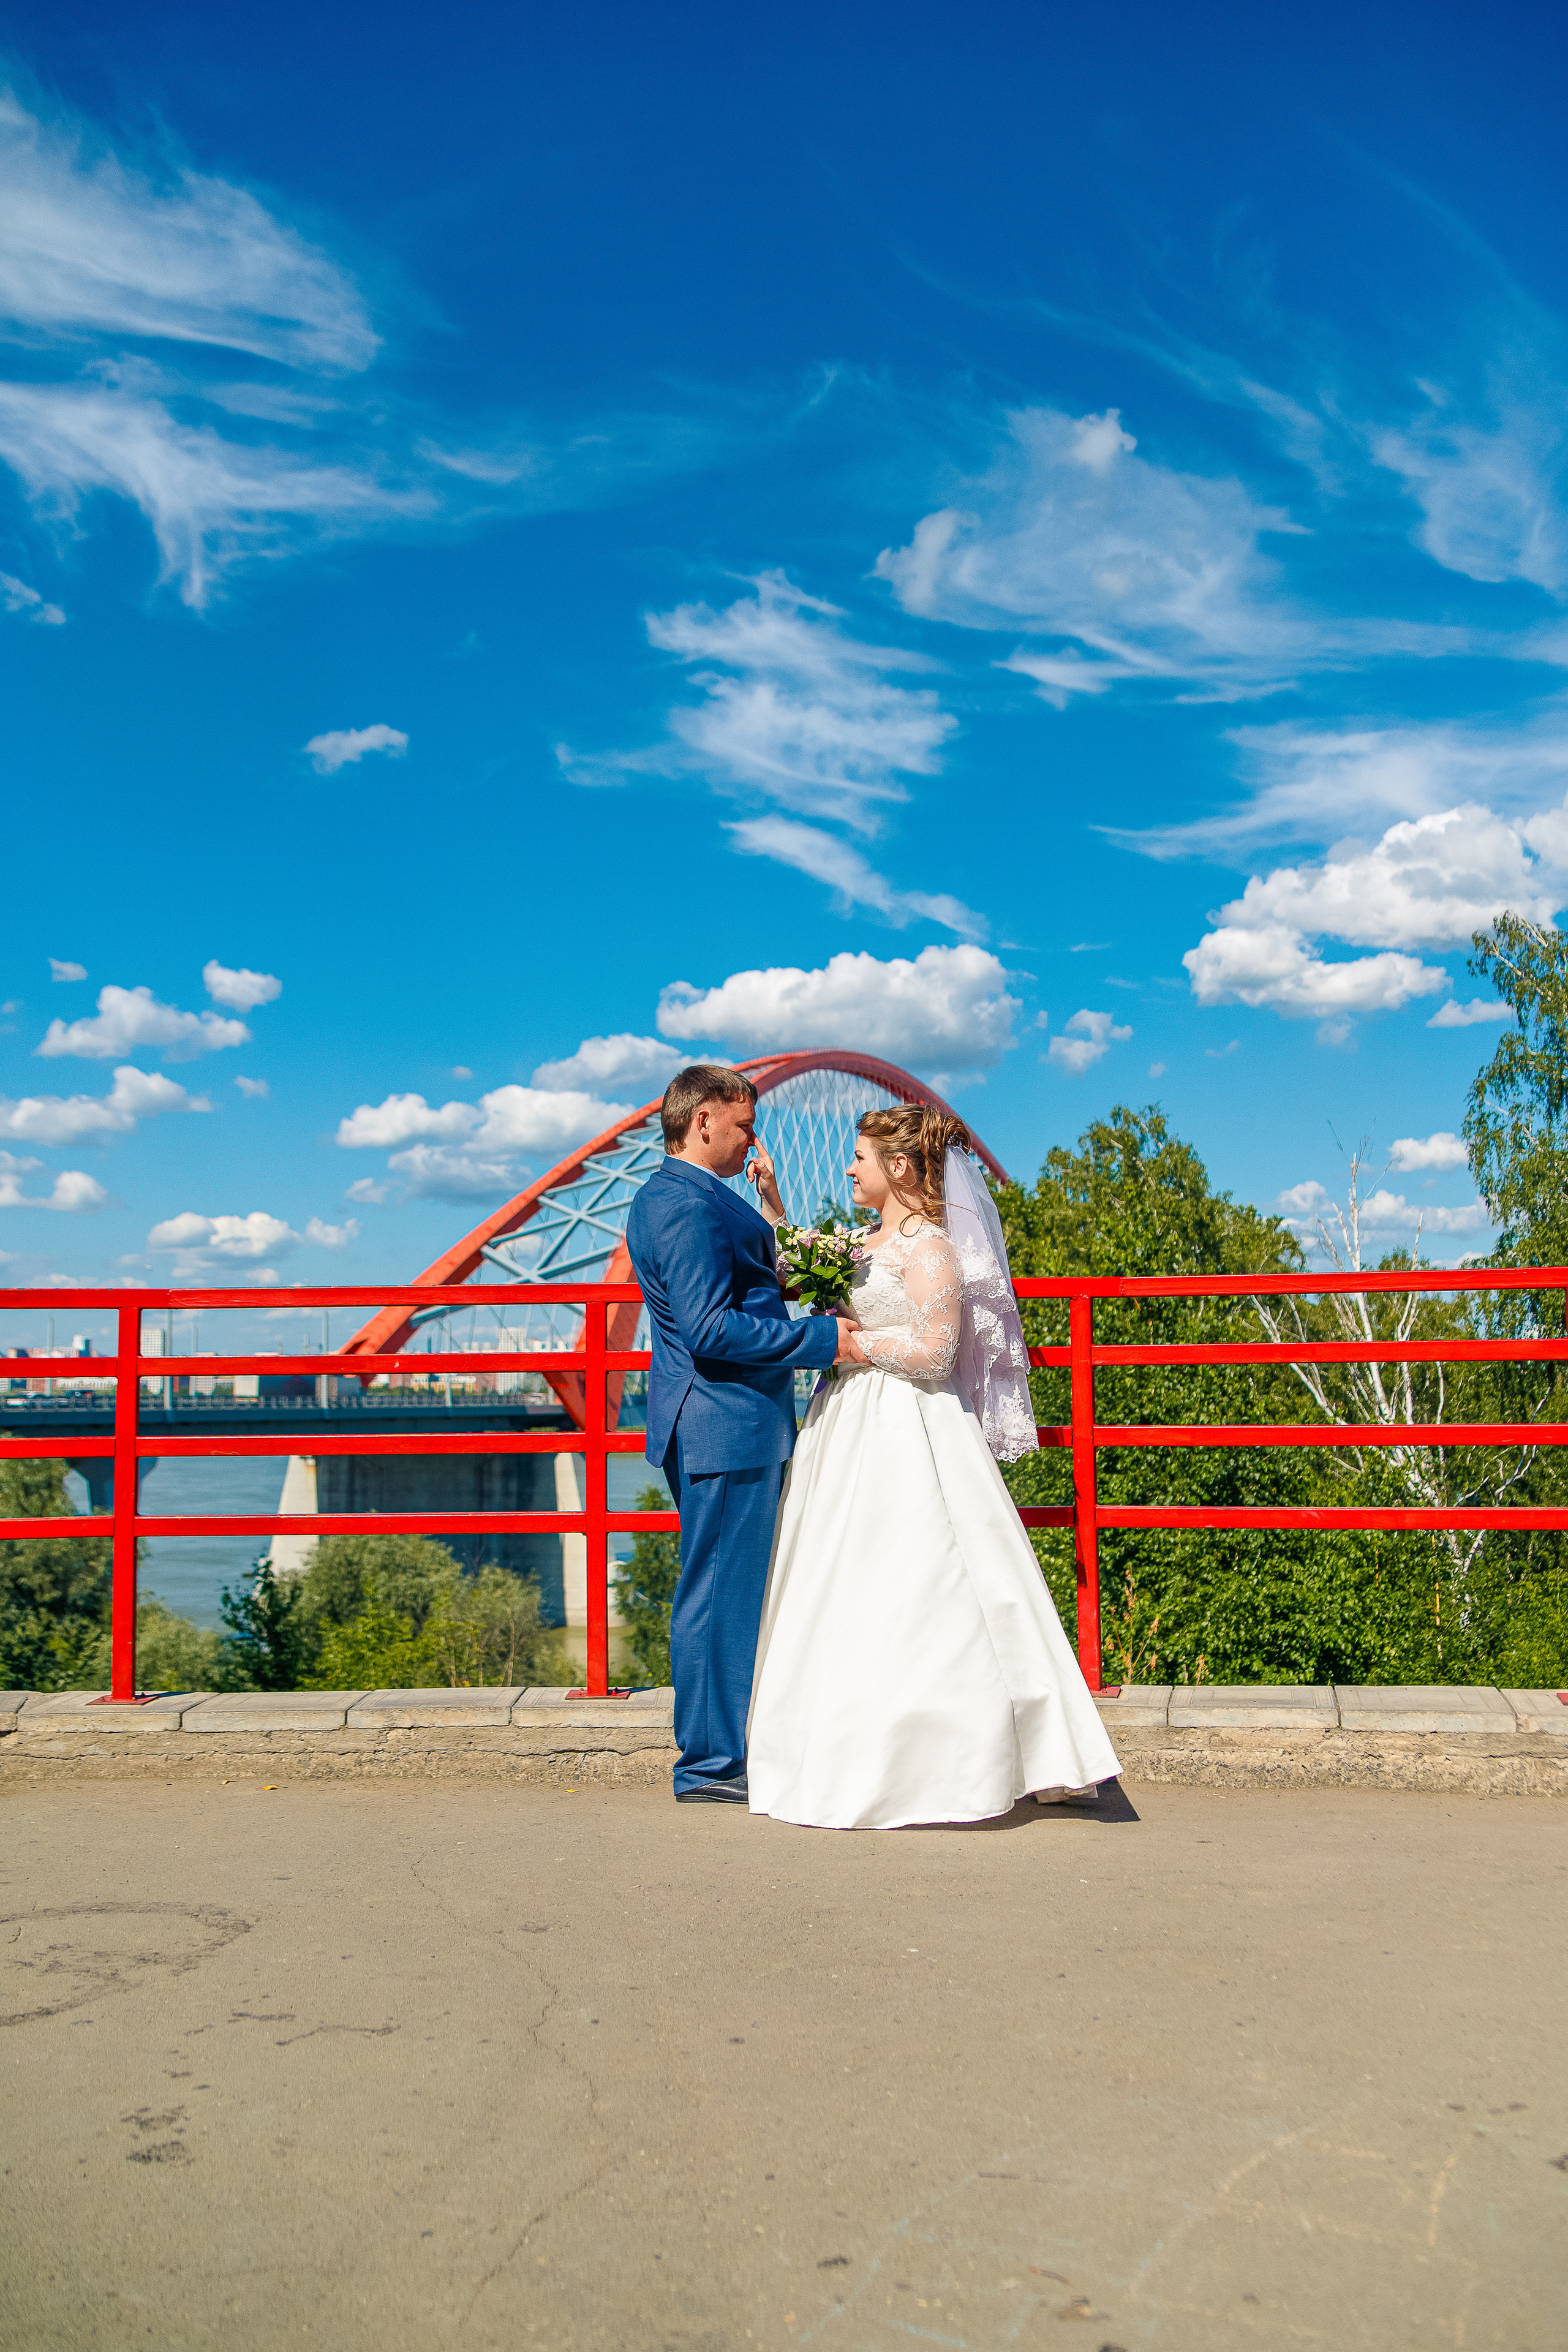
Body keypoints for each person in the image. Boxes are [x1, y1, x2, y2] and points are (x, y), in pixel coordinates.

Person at [745, 1104, 1121, 1830]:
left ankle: (950, 1757)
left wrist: (850, 1346)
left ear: (899, 1166)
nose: (848, 1169)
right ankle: (845, 1745)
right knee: (845, 1579)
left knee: (923, 1575)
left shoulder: (931, 1250)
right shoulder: (862, 1242)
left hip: (909, 1424)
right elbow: (792, 1264)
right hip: (845, 1426)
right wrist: (773, 1202)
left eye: (860, 1157)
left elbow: (936, 1353)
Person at [624, 1065, 858, 1803]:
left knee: (727, 1589)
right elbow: (708, 1328)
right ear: (702, 1121)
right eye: (744, 1126)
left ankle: (726, 1750)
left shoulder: (685, 1196)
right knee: (719, 1594)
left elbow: (744, 1285)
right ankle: (709, 1765)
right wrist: (822, 1339)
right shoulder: (683, 1205)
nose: (753, 1140)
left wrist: (771, 1209)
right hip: (722, 1423)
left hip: (721, 1422)